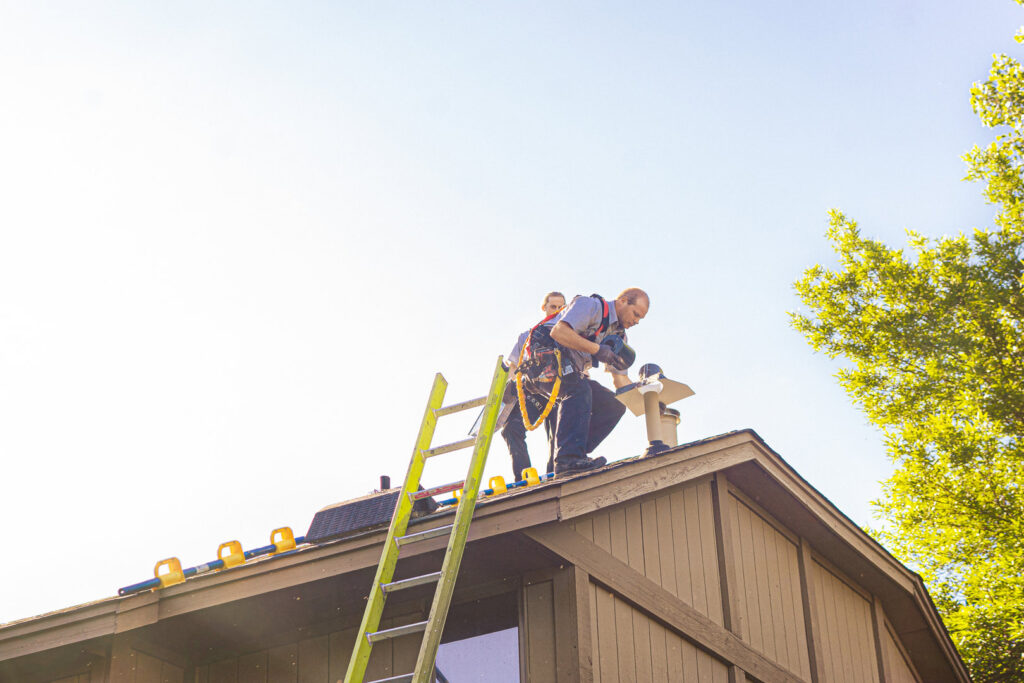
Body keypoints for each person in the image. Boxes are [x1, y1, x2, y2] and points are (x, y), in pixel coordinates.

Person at [544, 288, 649, 476]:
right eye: (636, 314)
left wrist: (649, 402)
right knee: (579, 390)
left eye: (640, 319)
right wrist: (596, 349)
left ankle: (574, 456)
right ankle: (567, 460)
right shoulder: (590, 306)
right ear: (623, 301)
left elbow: (620, 380)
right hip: (544, 364)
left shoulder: (619, 337)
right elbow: (558, 332)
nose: (636, 321)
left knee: (614, 405)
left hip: (571, 373)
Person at [501, 292, 566, 480]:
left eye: (562, 307)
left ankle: (555, 474)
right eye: (553, 307)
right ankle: (524, 477)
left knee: (558, 435)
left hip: (559, 390)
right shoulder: (527, 337)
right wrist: (510, 391)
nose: (557, 311)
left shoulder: (569, 332)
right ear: (544, 308)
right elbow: (514, 366)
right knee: (511, 428)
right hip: (533, 390)